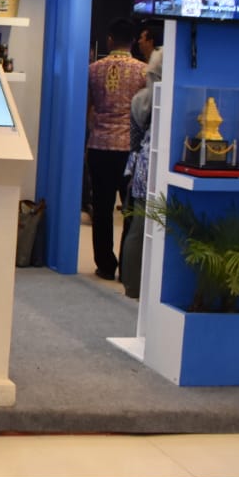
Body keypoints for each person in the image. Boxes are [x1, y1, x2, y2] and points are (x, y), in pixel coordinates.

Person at [86, 17, 148, 281]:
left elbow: (88, 107)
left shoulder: (93, 70)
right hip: (129, 150)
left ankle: (105, 264)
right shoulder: (144, 72)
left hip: (99, 145)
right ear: (133, 41)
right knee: (130, 209)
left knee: (102, 208)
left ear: (110, 40)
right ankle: (127, 266)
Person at [121, 48, 162, 298]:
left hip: (142, 167)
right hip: (164, 169)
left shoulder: (140, 100)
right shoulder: (174, 100)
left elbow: (134, 143)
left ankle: (132, 285)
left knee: (137, 229)